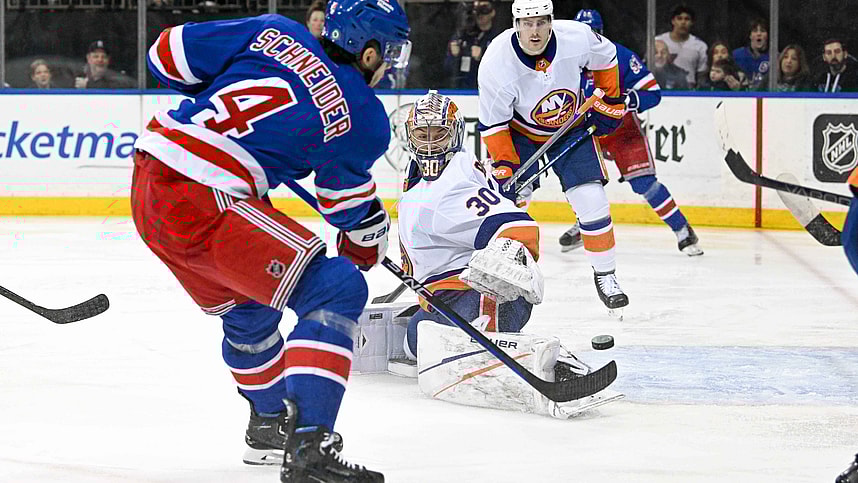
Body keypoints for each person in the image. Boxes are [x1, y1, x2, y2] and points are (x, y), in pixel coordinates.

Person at [132, 2, 410, 481]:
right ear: (368, 52)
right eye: (389, 52)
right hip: (207, 194)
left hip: (151, 184)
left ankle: (270, 426)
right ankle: (310, 448)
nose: (389, 65)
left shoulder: (274, 29)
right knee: (336, 288)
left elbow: (165, 54)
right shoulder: (365, 113)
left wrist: (216, 87)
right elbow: (345, 207)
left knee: (249, 311)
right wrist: (369, 241)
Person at [395, 90, 619, 418]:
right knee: (415, 336)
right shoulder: (433, 178)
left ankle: (549, 366)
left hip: (476, 298)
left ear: (454, 134)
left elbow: (520, 229)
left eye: (438, 134)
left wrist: (504, 259)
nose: (429, 144)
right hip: (444, 299)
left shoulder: (448, 189)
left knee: (423, 335)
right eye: (422, 134)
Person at [477, 0, 630, 316]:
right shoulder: (496, 62)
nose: (535, 31)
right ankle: (496, 270)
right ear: (516, 25)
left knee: (592, 200)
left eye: (541, 22)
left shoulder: (577, 37)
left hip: (570, 127)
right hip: (519, 133)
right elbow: (493, 125)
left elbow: (607, 56)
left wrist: (611, 98)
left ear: (551, 21)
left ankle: (606, 275)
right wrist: (505, 167)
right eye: (527, 24)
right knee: (509, 204)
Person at [563, 9, 702, 257]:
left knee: (644, 183)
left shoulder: (621, 56)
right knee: (581, 183)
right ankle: (585, 226)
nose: (588, 37)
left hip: (621, 129)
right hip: (586, 131)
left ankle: (682, 230)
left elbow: (652, 93)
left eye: (593, 32)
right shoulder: (564, 60)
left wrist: (623, 102)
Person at [444, 0, 501, 89]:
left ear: (492, 12)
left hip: (486, 90)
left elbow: (502, 71)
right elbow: (447, 69)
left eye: (484, 9)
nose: (480, 14)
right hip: (461, 89)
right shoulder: (462, 36)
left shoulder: (498, 38)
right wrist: (454, 56)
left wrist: (482, 58)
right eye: (476, 10)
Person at [654, 4, 708, 88]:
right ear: (673, 21)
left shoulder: (700, 46)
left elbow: (701, 75)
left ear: (692, 22)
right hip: (661, 87)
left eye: (687, 19)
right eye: (679, 18)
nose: (683, 22)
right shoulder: (658, 41)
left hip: (689, 91)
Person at [732, 18, 770, 90]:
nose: (759, 34)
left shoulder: (775, 57)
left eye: (762, 31)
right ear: (750, 35)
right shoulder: (737, 55)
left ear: (767, 36)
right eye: (755, 31)